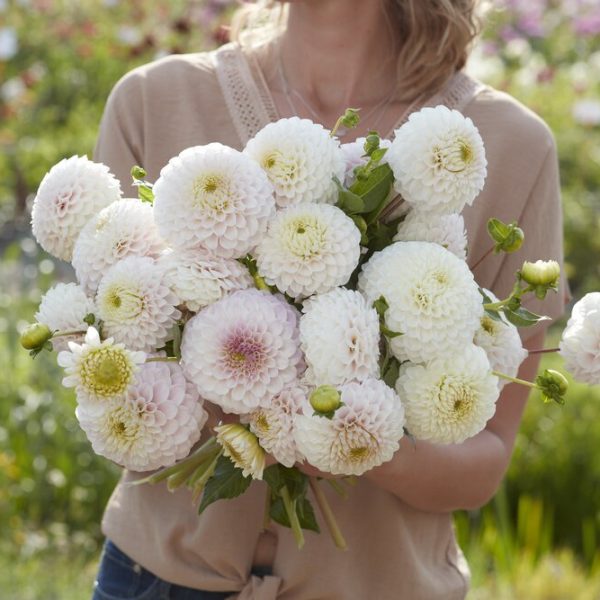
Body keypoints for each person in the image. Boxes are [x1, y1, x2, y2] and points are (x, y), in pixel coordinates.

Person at [91, 1, 566, 598]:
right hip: (154, 580)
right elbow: (107, 400)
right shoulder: (154, 101)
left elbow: (483, 463)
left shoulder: (512, 147)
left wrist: (364, 441)